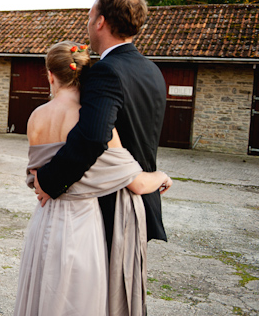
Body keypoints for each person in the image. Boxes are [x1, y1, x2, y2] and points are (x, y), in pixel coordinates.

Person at [14, 41, 172, 316]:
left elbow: (35, 175)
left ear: (51, 75)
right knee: (77, 299)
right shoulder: (92, 122)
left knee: (42, 292)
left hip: (44, 217)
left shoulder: (35, 117)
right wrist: (161, 176)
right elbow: (135, 182)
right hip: (82, 224)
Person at [35, 0, 167, 254]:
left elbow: (93, 136)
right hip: (143, 202)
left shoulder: (106, 72)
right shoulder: (152, 70)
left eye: (89, 16)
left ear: (100, 22)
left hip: (112, 206)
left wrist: (49, 182)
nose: (87, 24)